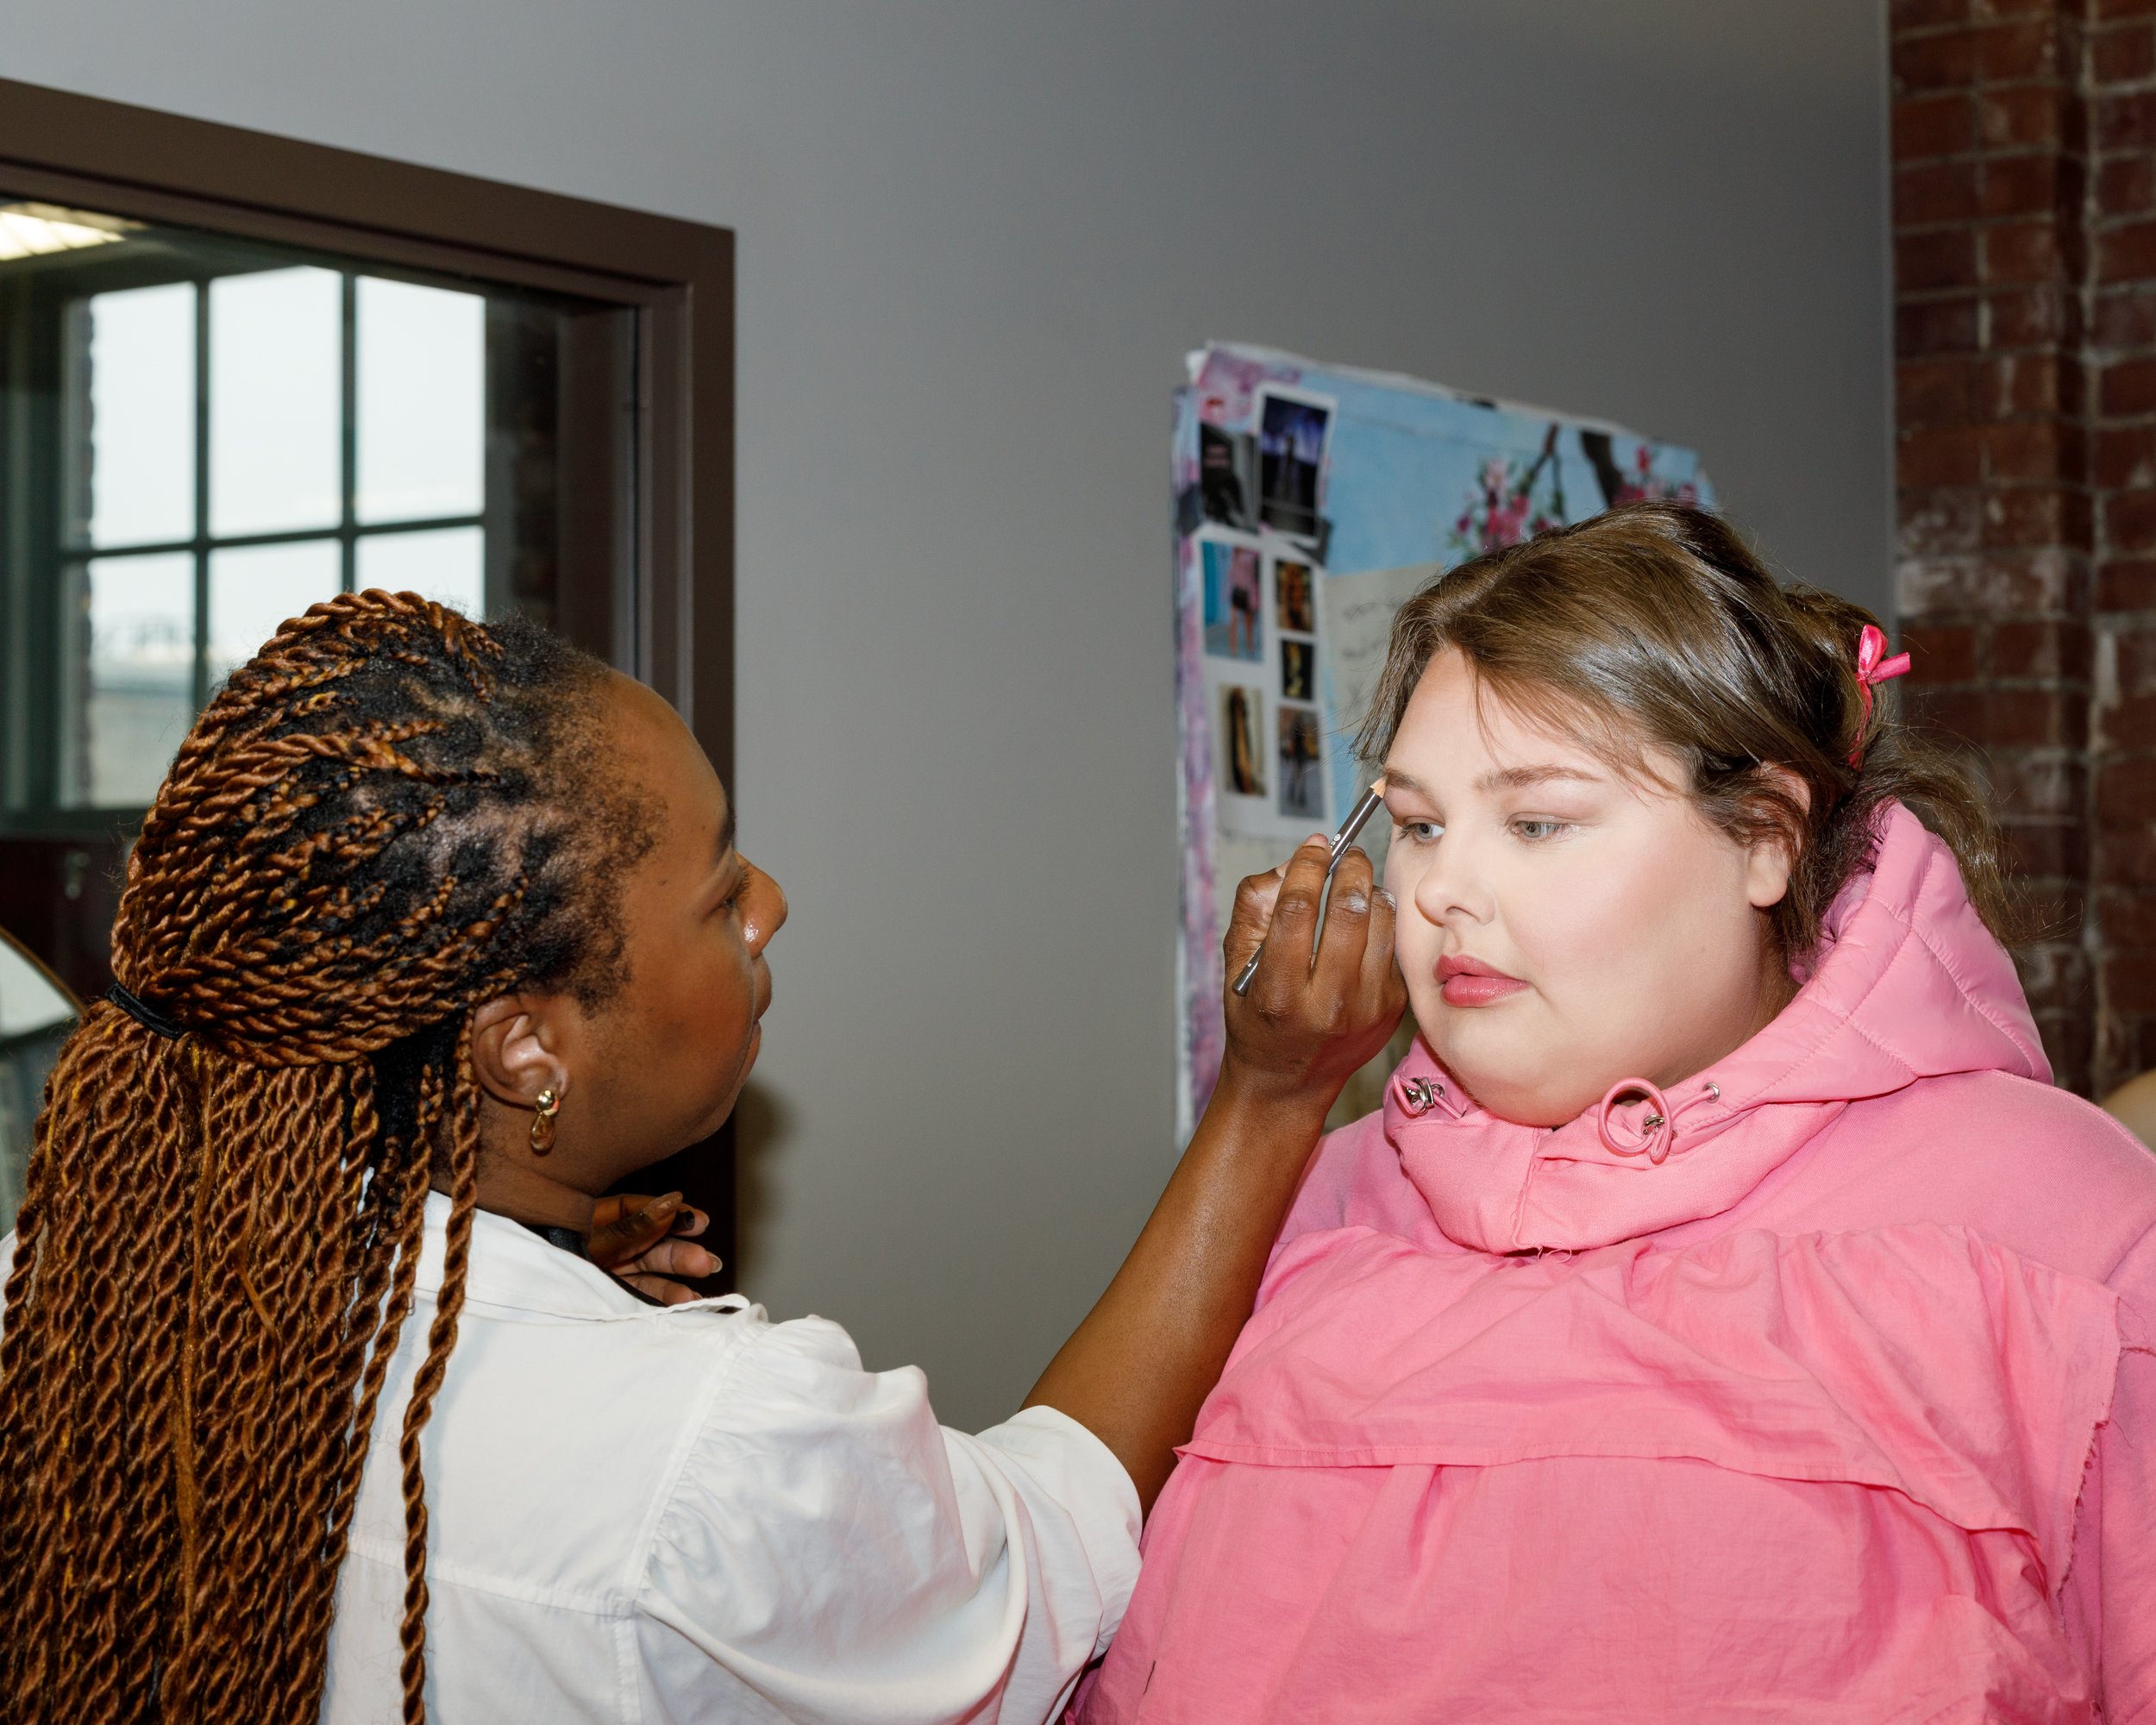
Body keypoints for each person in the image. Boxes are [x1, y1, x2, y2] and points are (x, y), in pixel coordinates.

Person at [0, 591, 1402, 1723]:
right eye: (720, 889)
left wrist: (551, 1285)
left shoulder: (84, 1287)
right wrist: (1269, 1100)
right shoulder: (707, 1456)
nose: (773, 906)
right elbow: (1044, 1554)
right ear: (524, 1049)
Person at [1075, 502, 2156, 1722]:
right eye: (1422, 826)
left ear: (1764, 836)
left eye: (1537, 822)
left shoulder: (2070, 1230)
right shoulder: (1299, 1207)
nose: (1443, 892)